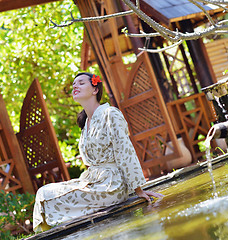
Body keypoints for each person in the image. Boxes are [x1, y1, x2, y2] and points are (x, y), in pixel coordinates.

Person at [33, 72, 163, 232]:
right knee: (42, 193)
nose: (75, 86)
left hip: (112, 185)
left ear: (95, 89)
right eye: (74, 84)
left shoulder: (110, 114)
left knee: (47, 197)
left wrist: (138, 190)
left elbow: (125, 151)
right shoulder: (85, 122)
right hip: (94, 180)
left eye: (81, 83)